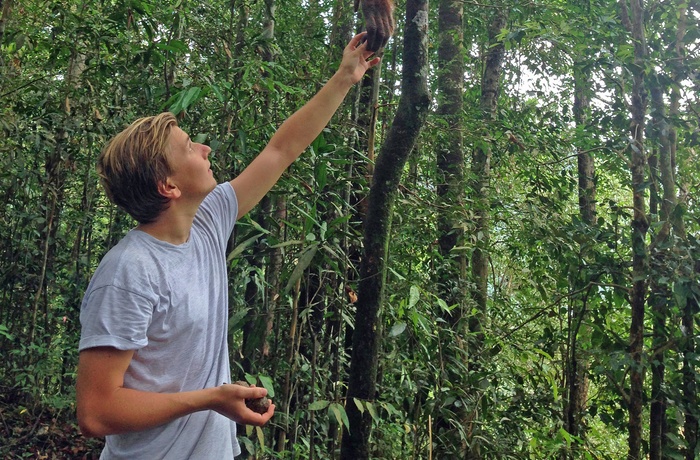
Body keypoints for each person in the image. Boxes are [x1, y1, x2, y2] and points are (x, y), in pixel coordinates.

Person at [76, 32, 380, 459]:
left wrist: (345, 77)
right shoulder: (129, 272)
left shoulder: (207, 222)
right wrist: (210, 398)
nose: (205, 148)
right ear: (168, 186)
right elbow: (96, 411)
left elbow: (282, 149)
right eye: (188, 148)